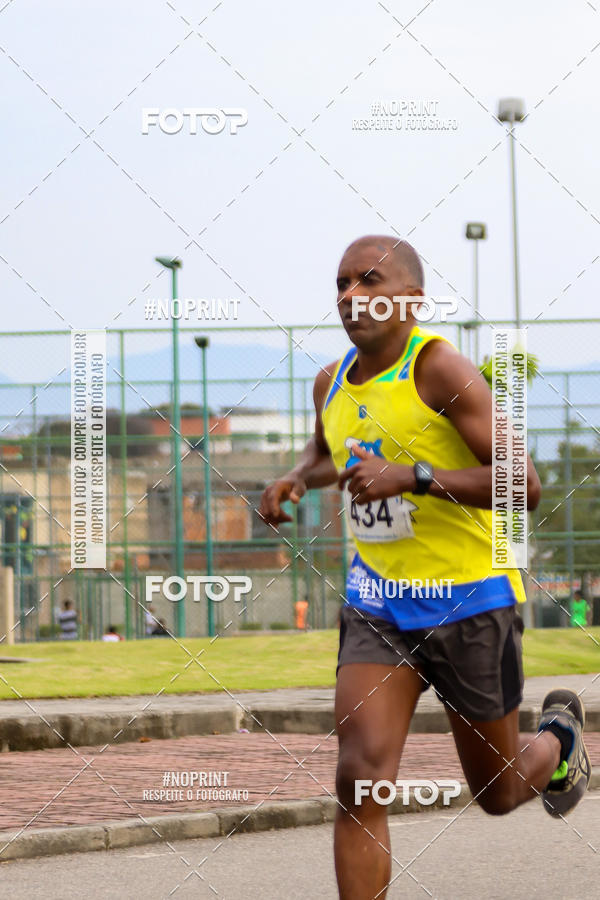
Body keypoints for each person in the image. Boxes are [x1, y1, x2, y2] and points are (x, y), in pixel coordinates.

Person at [259, 235, 591, 899]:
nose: (351, 296)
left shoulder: (440, 370)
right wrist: (296, 477)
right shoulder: (330, 381)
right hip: (378, 607)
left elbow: (523, 484)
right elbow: (328, 450)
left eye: (369, 281)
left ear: (411, 299)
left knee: (498, 792)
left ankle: (559, 739)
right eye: (342, 283)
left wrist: (413, 476)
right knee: (359, 777)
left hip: (470, 603)